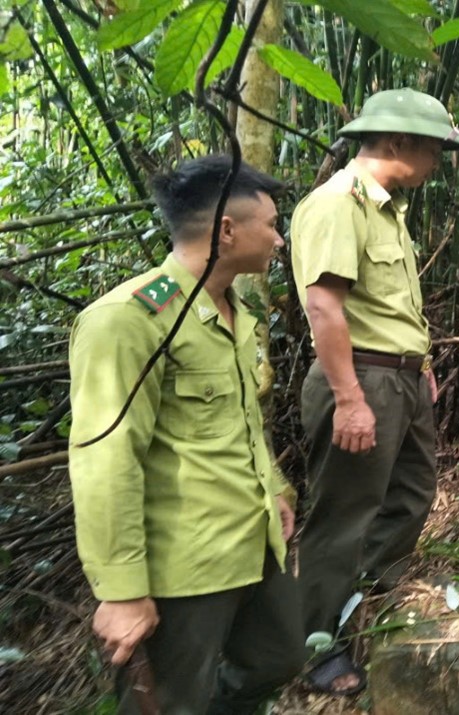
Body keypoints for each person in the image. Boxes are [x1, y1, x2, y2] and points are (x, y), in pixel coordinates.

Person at [68, 155, 305, 713]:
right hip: (184, 563)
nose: (277, 239)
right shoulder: (129, 320)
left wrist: (274, 488)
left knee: (279, 658)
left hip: (251, 538)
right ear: (226, 229)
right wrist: (122, 591)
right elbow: (105, 459)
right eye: (270, 224)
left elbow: (240, 419)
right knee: (173, 700)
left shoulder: (237, 310)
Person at [289, 87, 459, 695]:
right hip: (360, 378)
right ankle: (317, 648)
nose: (439, 162)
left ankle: (366, 601)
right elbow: (324, 305)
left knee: (413, 493)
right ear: (396, 143)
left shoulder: (388, 209)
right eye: (435, 149)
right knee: (343, 515)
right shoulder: (338, 203)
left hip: (399, 377)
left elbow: (387, 303)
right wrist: (349, 398)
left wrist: (418, 364)